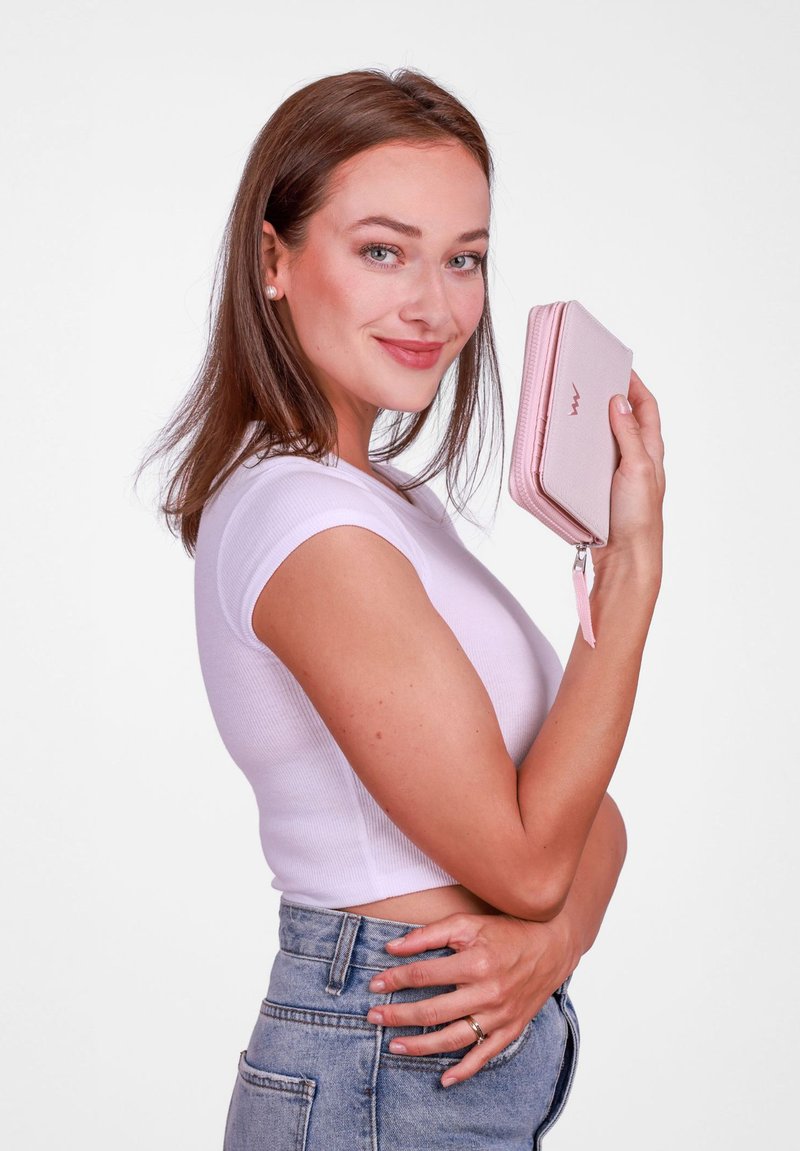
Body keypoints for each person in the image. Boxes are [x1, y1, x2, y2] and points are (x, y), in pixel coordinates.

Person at [141, 68, 664, 1149]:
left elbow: (586, 822)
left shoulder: (389, 506)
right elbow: (526, 858)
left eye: (461, 257)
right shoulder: (305, 522)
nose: (434, 305)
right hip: (380, 1055)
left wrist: (551, 937)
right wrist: (631, 571)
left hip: (421, 1065)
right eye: (382, 249)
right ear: (273, 261)